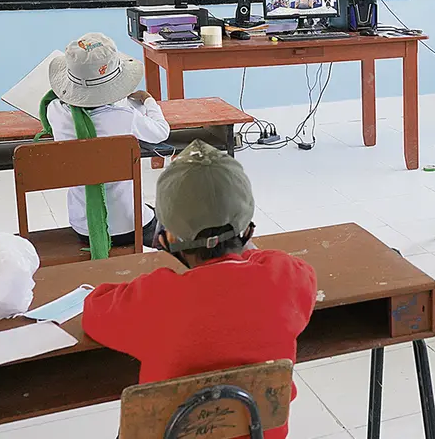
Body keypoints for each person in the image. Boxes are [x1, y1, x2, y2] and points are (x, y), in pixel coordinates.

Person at [82, 139, 317, 439]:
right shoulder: (284, 279)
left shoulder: (155, 298)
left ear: (167, 236)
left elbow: (94, 310)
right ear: (247, 230)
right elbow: (288, 267)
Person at [38, 33, 169, 258]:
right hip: (131, 224)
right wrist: (148, 101)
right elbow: (161, 132)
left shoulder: (54, 112)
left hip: (84, 228)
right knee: (168, 216)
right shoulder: (125, 116)